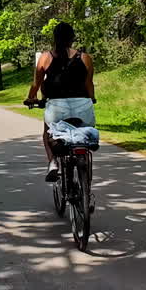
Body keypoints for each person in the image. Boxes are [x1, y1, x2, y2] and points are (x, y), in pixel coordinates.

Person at [26, 22, 95, 182]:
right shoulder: (84, 57)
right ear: (73, 38)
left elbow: (36, 84)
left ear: (54, 38)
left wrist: (31, 98)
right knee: (83, 135)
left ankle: (53, 163)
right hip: (83, 105)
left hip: (56, 107)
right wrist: (92, 99)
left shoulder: (46, 57)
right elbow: (88, 83)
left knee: (47, 134)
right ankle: (83, 160)